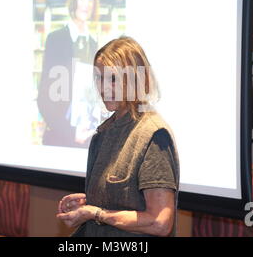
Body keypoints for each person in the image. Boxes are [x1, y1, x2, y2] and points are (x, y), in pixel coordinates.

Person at [56, 37, 180, 237]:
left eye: (113, 78)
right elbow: (124, 202)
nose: (103, 87)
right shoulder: (104, 133)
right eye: (98, 77)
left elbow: (159, 222)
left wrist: (96, 213)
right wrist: (87, 204)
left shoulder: (154, 135)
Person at [37, 0, 100, 148]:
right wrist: (71, 133)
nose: (86, 3)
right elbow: (44, 98)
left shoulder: (96, 46)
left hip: (89, 141)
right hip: (60, 139)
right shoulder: (56, 39)